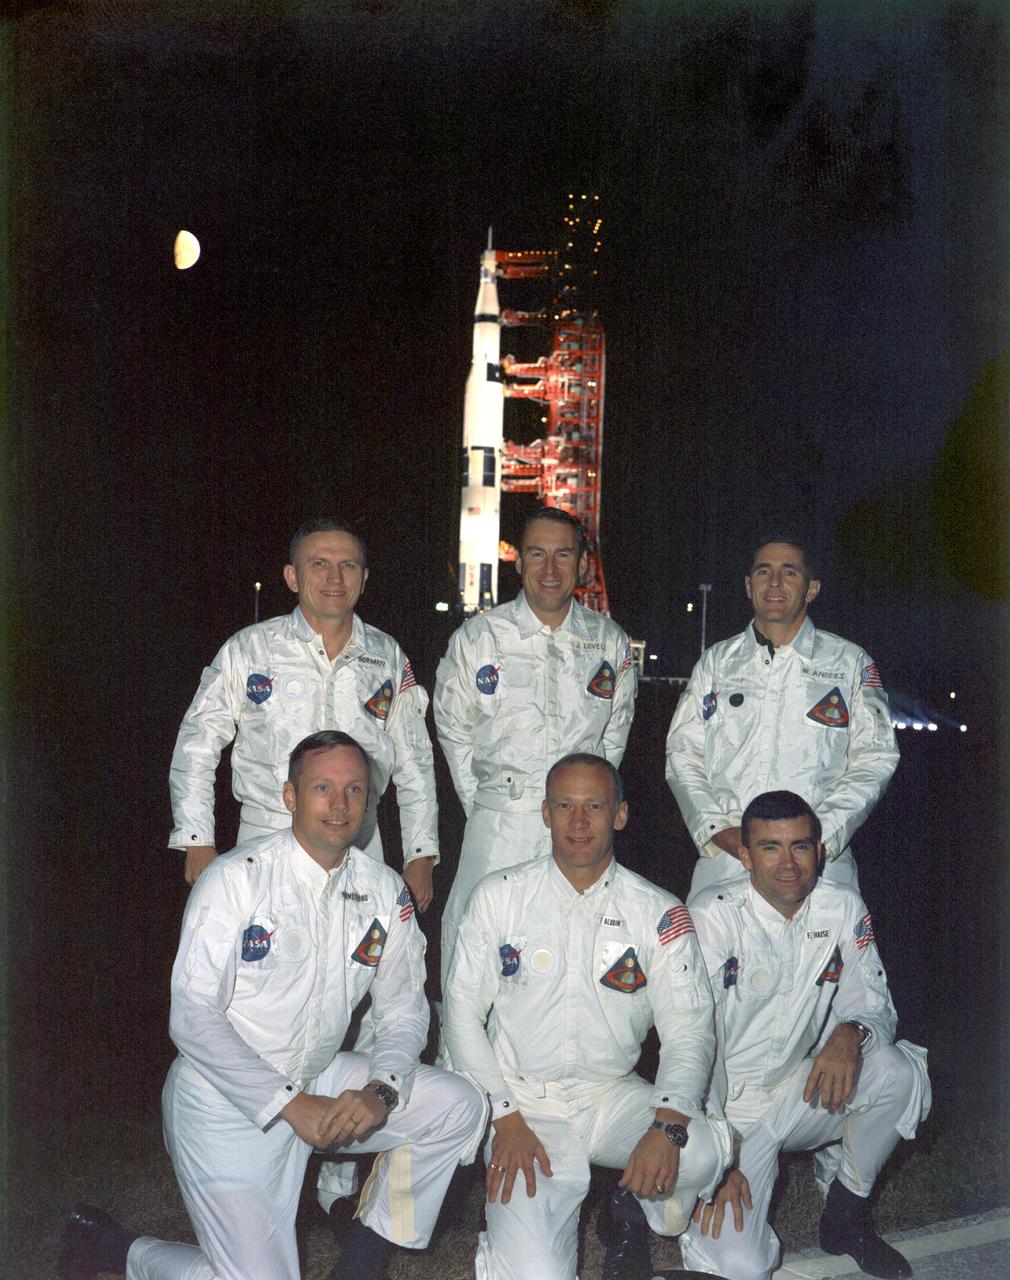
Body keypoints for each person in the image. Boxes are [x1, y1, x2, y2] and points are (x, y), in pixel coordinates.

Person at [60, 731, 487, 1280]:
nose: (339, 804)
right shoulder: (235, 879)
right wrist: (288, 1104)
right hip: (225, 1101)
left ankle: (362, 1259)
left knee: (458, 1105)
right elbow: (191, 1015)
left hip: (317, 1077)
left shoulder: (385, 890)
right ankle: (111, 1247)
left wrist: (382, 1089)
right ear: (290, 796)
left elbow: (404, 1009)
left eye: (354, 789)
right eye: (322, 787)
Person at [443, 753, 730, 1280]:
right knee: (538, 1274)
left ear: (619, 814)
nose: (578, 822)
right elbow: (460, 1014)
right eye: (565, 806)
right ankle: (511, 1233)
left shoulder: (659, 912)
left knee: (701, 1148)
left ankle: (635, 1208)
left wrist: (666, 1128)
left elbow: (690, 1029)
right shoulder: (498, 897)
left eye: (594, 806)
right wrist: (503, 1116)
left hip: (608, 1096)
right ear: (545, 813)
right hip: (524, 1104)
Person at [680, 790, 930, 1280]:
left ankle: (846, 1219)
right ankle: (660, 1197)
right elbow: (693, 1042)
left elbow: (874, 1003)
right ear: (745, 856)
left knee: (897, 1072)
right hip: (725, 1113)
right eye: (770, 847)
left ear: (819, 851)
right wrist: (717, 1156)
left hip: (795, 1091)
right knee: (744, 1268)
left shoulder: (841, 906)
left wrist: (851, 1032)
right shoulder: (713, 914)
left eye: (800, 846)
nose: (788, 863)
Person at [168, 518, 439, 912]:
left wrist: (421, 853)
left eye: (347, 565)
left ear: (364, 579)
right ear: (292, 577)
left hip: (358, 840)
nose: (335, 578)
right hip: (267, 834)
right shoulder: (250, 650)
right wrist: (197, 838)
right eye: (319, 564)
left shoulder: (387, 656)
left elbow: (415, 761)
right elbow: (197, 744)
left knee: (358, 950)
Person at [435, 506, 636, 987]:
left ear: (582, 564)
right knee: (478, 952)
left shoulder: (609, 642)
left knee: (573, 955)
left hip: (578, 826)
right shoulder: (479, 638)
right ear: (519, 562)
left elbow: (614, 733)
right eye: (537, 554)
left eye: (563, 554)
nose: (550, 568)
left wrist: (587, 805)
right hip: (499, 824)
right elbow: (453, 728)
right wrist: (485, 804)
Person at [666, 537, 898, 899]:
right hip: (729, 861)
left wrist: (816, 837)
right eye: (764, 572)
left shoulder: (850, 664)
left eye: (789, 572)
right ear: (748, 585)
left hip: (819, 867)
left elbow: (875, 758)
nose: (775, 582)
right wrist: (720, 831)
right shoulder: (716, 663)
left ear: (812, 588)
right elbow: (683, 754)